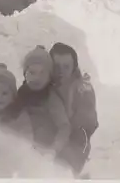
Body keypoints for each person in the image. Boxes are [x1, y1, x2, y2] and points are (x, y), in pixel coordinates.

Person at [49, 42, 99, 178]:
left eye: (66, 66)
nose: (60, 71)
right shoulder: (45, 85)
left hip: (76, 142)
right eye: (56, 66)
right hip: (49, 142)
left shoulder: (82, 89)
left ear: (73, 68)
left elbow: (88, 121)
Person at [16, 45, 71, 161]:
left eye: (42, 73)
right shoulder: (20, 95)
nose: (37, 77)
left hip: (46, 150)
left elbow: (64, 127)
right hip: (22, 149)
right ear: (25, 74)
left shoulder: (51, 98)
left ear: (49, 77)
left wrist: (53, 150)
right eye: (32, 72)